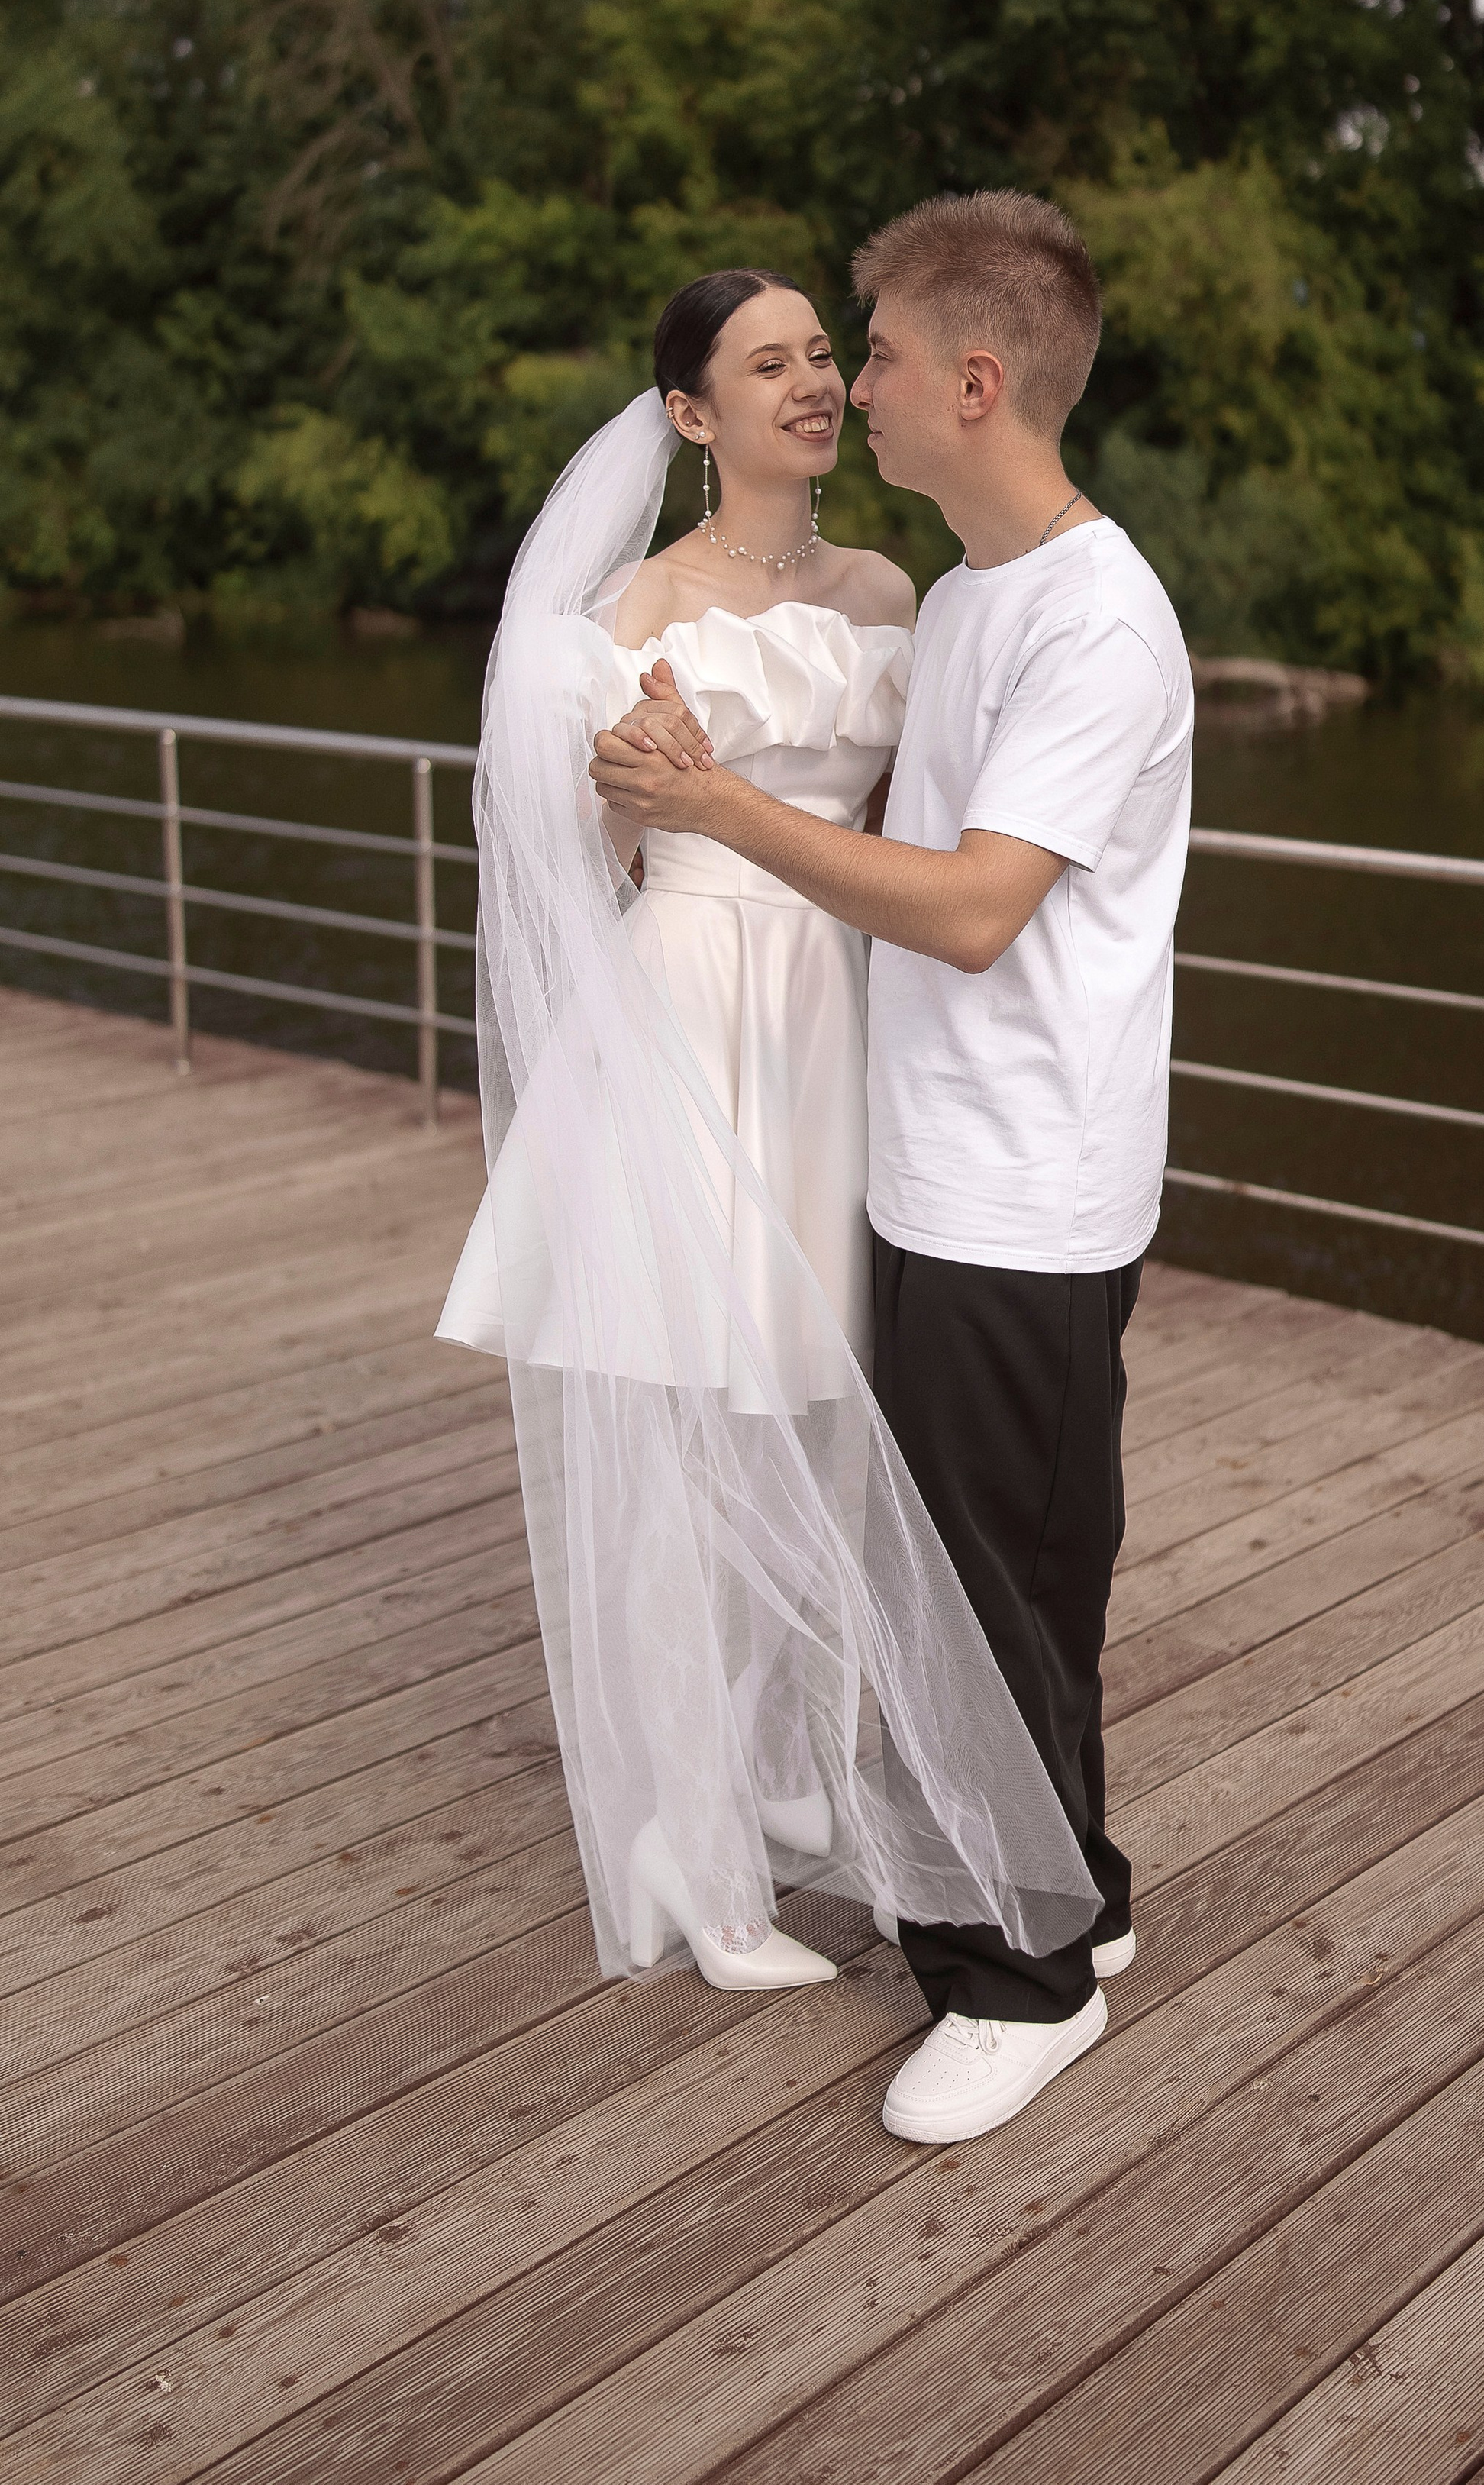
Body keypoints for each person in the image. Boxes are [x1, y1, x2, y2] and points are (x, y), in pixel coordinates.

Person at [592, 191, 1195, 2145]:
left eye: (867, 349)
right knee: (1023, 1567)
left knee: (981, 1588)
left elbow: (963, 917)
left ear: (974, 376)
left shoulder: (1096, 622)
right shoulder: (965, 594)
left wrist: (716, 807)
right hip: (925, 1165)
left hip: (1025, 1179)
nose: (847, 384)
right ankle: (1075, 1902)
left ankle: (1008, 1987)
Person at [438, 263, 1099, 2003]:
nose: (813, 382)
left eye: (826, 354)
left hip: (842, 1022)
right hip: (693, 1010)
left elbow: (907, 824)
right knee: (683, 1432)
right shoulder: (622, 613)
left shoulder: (901, 590)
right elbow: (563, 882)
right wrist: (646, 853)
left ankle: (793, 1783)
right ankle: (690, 1843)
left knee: (814, 1417)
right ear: (687, 414)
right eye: (769, 362)